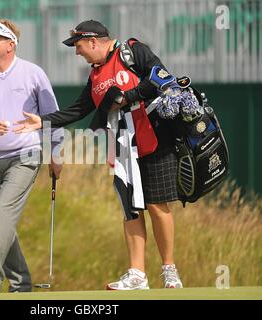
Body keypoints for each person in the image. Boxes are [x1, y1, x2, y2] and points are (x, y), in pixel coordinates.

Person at [13, 20, 183, 290]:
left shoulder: (132, 51)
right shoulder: (95, 75)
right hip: (122, 147)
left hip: (155, 139)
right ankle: (137, 273)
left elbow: (161, 77)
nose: (77, 52)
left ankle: (170, 271)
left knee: (157, 206)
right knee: (131, 209)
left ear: (93, 41)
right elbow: (79, 109)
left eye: (78, 46)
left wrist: (128, 96)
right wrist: (42, 121)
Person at [0, 19, 63, 293]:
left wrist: (56, 152)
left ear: (11, 44)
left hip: (26, 155)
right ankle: (21, 284)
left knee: (3, 213)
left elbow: (52, 115)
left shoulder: (33, 74)